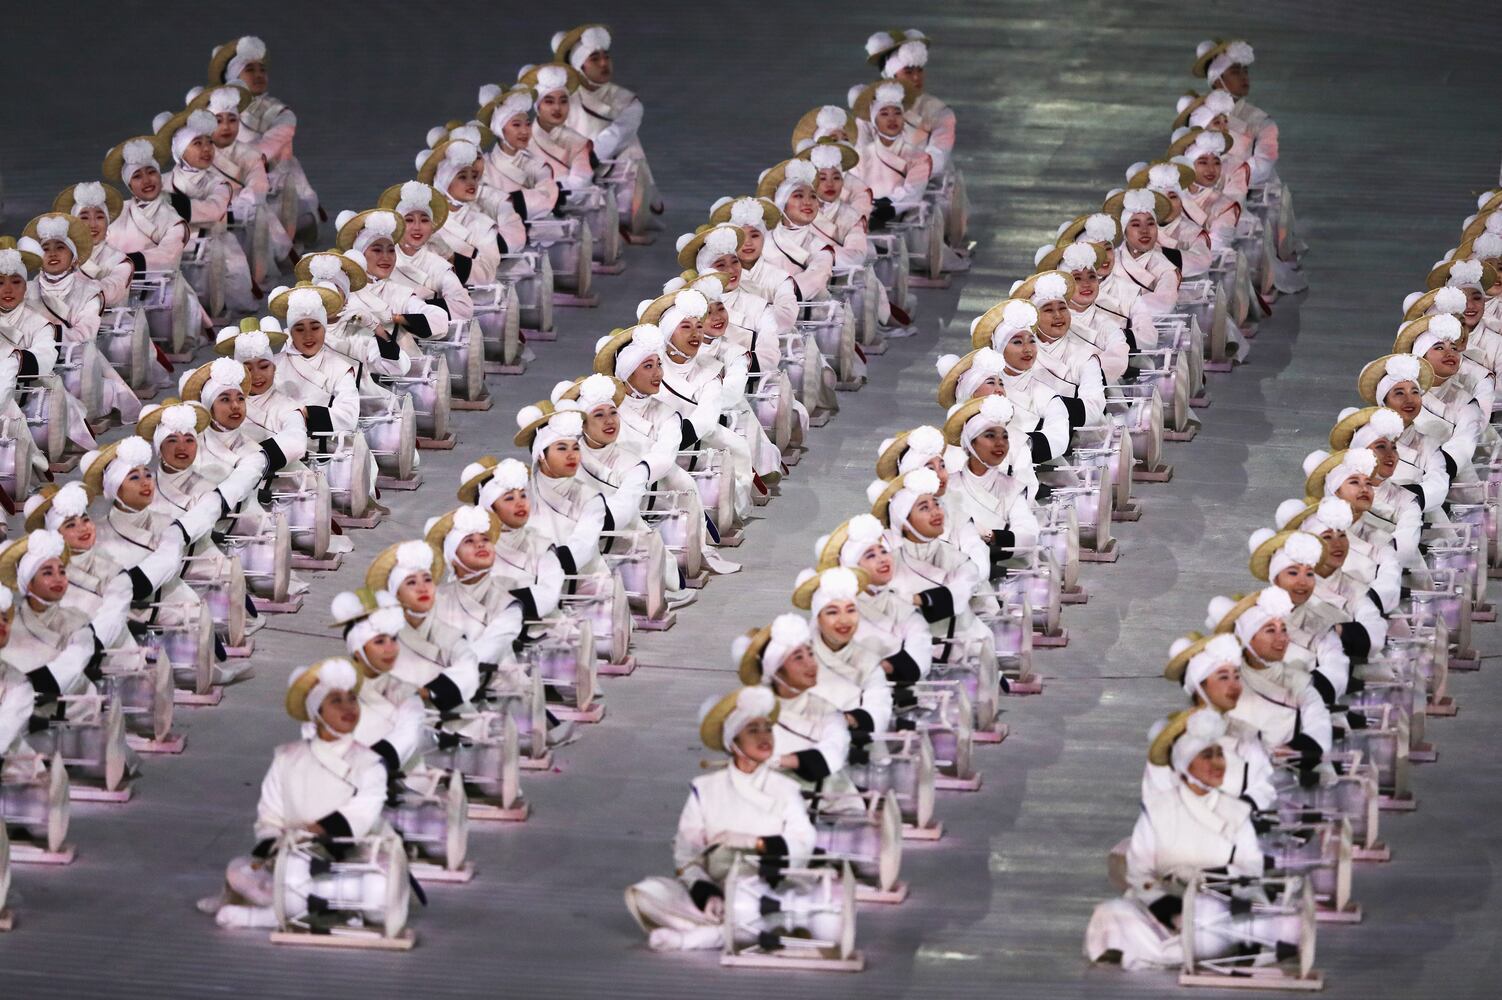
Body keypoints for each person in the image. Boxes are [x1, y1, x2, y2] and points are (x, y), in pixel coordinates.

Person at [624, 685, 814, 952]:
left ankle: (695, 937)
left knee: (774, 911)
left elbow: (803, 842)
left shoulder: (786, 789)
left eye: (767, 728)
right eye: (752, 730)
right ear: (733, 743)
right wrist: (707, 892)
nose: (764, 736)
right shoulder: (705, 788)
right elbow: (686, 855)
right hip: (719, 891)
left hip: (767, 890)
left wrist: (757, 843)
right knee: (644, 894)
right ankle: (726, 926)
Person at [204, 657, 388, 929]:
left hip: (354, 859)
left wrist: (313, 832)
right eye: (336, 701)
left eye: (352, 699)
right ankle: (310, 909)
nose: (348, 707)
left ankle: (265, 915)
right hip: (294, 857)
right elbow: (270, 815)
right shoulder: (287, 758)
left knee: (380, 891)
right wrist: (272, 846)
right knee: (240, 869)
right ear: (317, 713)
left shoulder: (370, 762)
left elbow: (362, 814)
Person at [1085, 709, 1264, 970]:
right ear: (1185, 764)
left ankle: (1205, 944)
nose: (1217, 763)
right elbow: (1139, 870)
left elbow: (1252, 866)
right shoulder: (1159, 811)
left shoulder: (1236, 811)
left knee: (1212, 929)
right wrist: (1164, 904)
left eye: (1218, 754)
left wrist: (1215, 879)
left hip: (1219, 908)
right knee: (1110, 914)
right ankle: (1178, 944)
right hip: (1167, 910)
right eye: (1206, 756)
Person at [208, 35, 321, 245]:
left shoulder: (281, 114)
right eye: (250, 70)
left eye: (262, 70)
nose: (258, 75)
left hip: (275, 187)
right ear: (234, 76)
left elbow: (261, 152)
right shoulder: (215, 114)